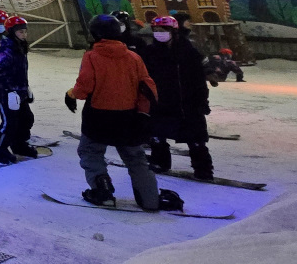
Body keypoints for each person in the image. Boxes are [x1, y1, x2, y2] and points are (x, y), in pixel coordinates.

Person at [65, 15, 178, 211]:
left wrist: (71, 94)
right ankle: (150, 199)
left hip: (98, 117)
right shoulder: (134, 58)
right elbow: (147, 87)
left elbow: (84, 87)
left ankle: (103, 192)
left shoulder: (91, 56)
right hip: (128, 117)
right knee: (135, 158)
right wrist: (143, 113)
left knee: (91, 152)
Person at [141, 15, 213, 180]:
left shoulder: (188, 52)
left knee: (196, 139)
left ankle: (203, 170)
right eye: (156, 31)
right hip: (161, 103)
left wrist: (202, 101)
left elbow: (199, 80)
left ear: (173, 31)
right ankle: (160, 162)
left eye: (163, 30)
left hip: (187, 103)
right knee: (157, 135)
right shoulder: (150, 53)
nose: (159, 34)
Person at [0, 15, 36, 165]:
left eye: (25, 32)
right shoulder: (6, 50)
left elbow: (20, 72)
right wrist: (9, 91)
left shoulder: (20, 47)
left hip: (19, 91)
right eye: (21, 32)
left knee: (26, 118)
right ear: (12, 32)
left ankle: (18, 144)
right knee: (9, 122)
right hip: (5, 92)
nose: (24, 35)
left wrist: (25, 88)